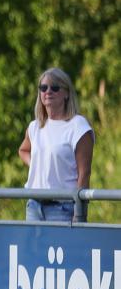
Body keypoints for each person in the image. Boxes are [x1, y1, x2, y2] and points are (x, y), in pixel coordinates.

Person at [18, 67, 94, 222]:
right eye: (43, 87)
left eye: (55, 87)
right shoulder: (35, 126)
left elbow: (84, 173)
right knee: (32, 248)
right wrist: (37, 164)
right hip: (34, 205)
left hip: (63, 207)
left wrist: (78, 213)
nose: (48, 91)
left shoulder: (78, 126)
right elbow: (23, 150)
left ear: (66, 93)